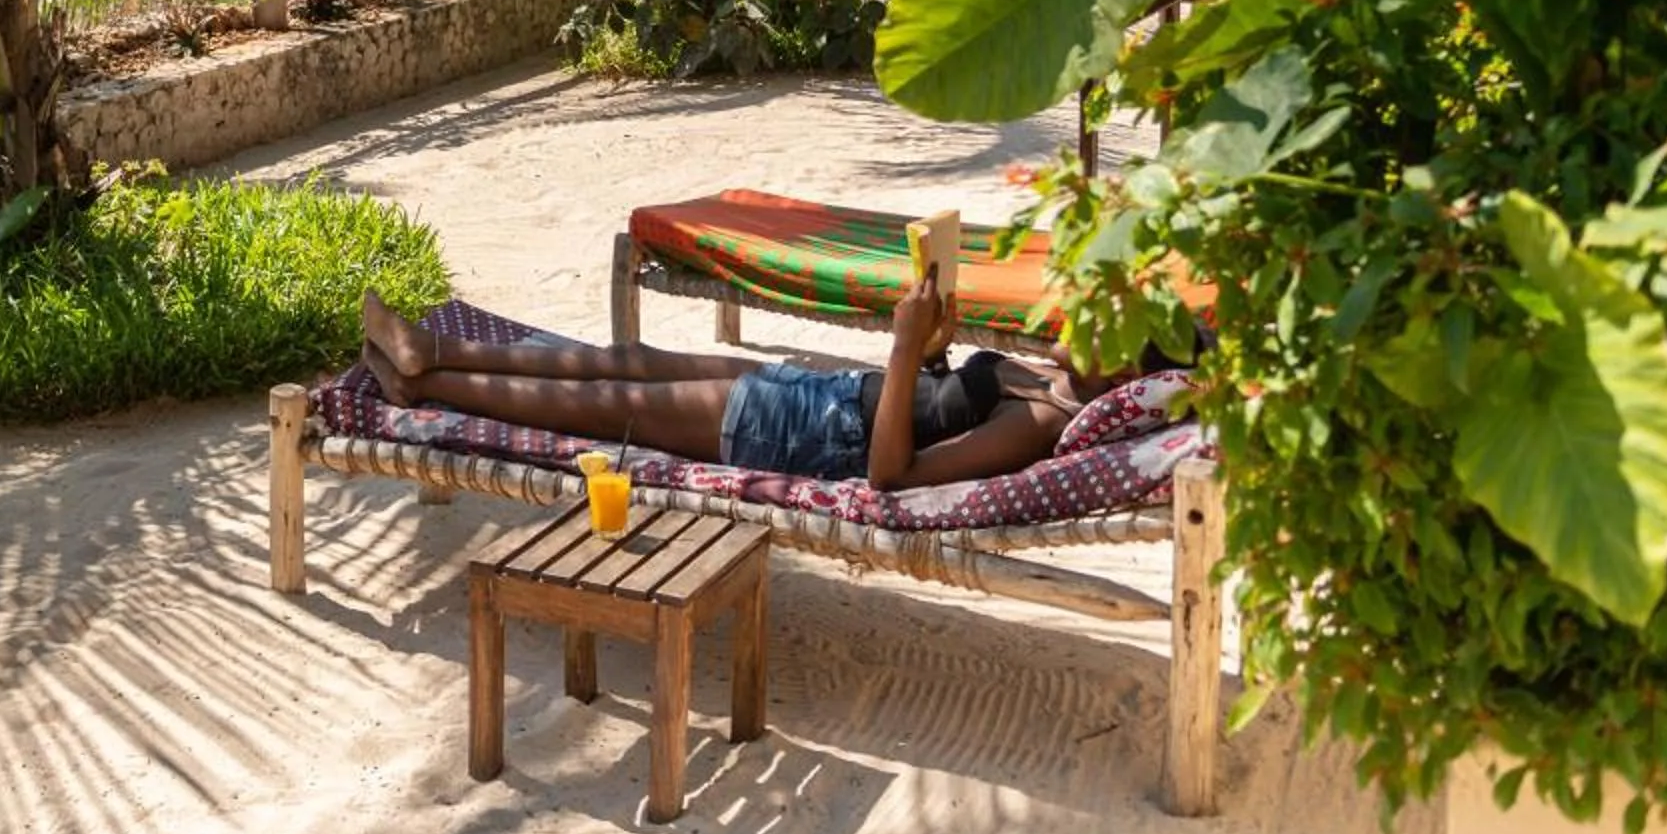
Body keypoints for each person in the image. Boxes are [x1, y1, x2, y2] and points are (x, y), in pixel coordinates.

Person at [359, 280, 1194, 492]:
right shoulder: (1055, 379)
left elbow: (892, 474)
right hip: (821, 397)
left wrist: (906, 351)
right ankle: (431, 349)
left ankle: (428, 388)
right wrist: (935, 355)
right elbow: (934, 411)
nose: (1084, 310)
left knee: (616, 408)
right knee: (632, 357)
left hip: (810, 438)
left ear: (1126, 368)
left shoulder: (1038, 426)